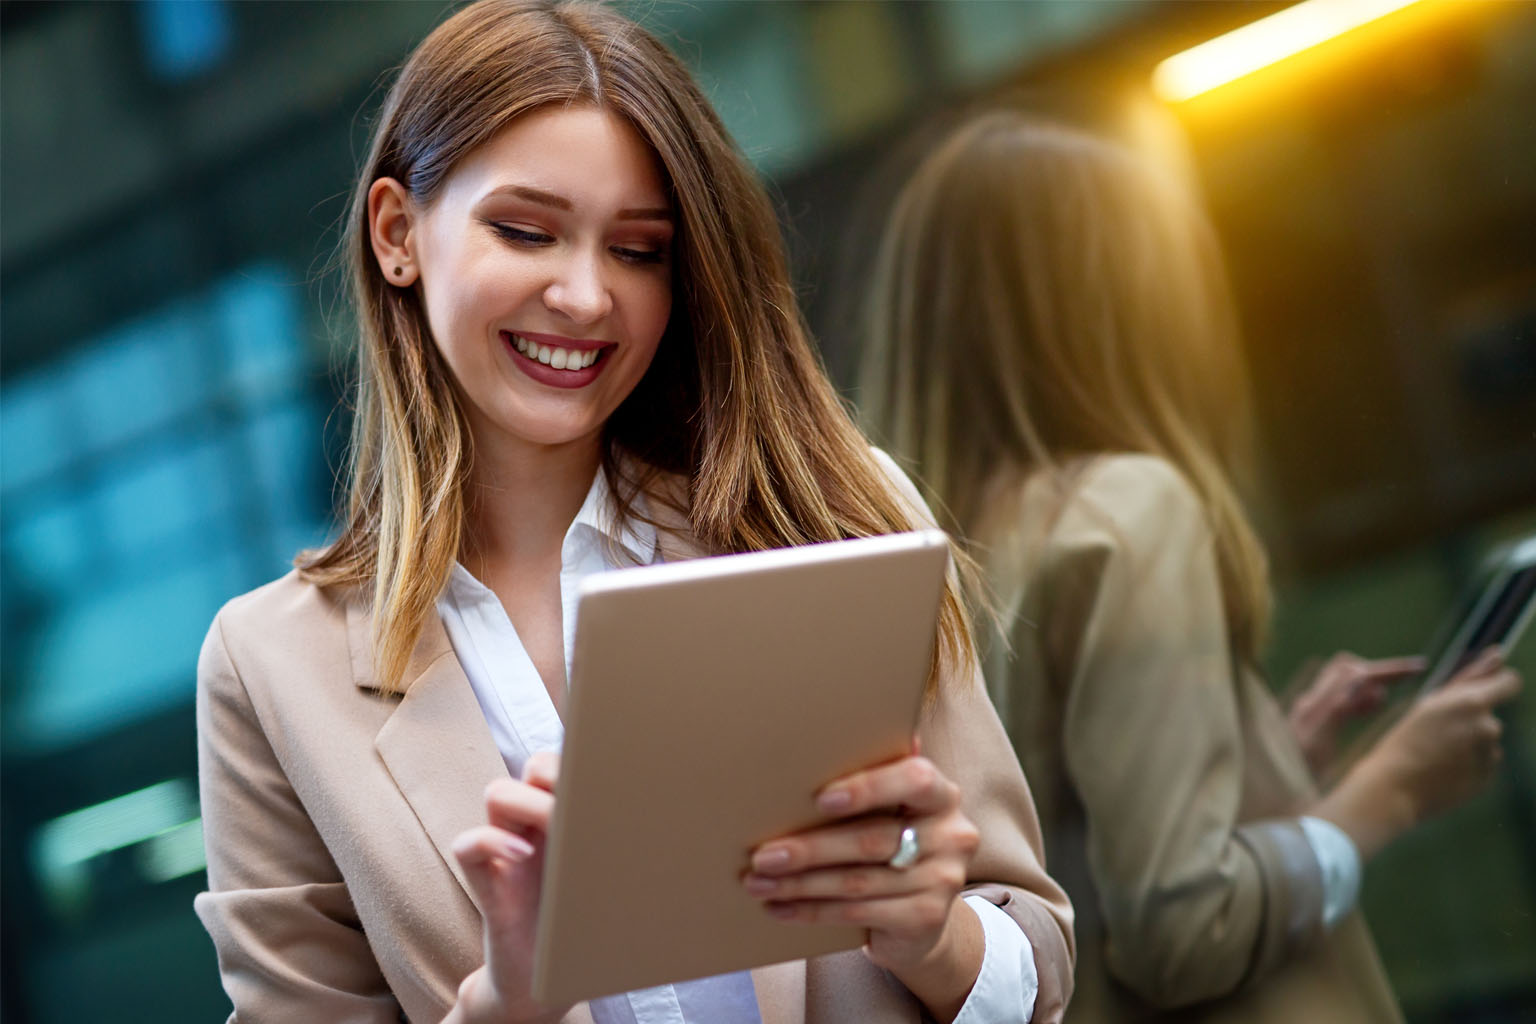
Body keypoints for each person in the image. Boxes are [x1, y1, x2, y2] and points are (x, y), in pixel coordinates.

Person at [192, 6, 1076, 1024]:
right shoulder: (269, 671)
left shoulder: (830, 514)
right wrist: (508, 1007)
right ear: (398, 235)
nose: (585, 296)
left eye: (640, 250)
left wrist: (936, 935)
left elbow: (1038, 951)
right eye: (524, 231)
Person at [858, 111, 1522, 1023]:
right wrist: (1388, 791)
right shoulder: (1130, 511)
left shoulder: (922, 546)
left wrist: (1263, 767)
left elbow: (1069, 858)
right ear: (1124, 298)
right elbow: (1180, 930)